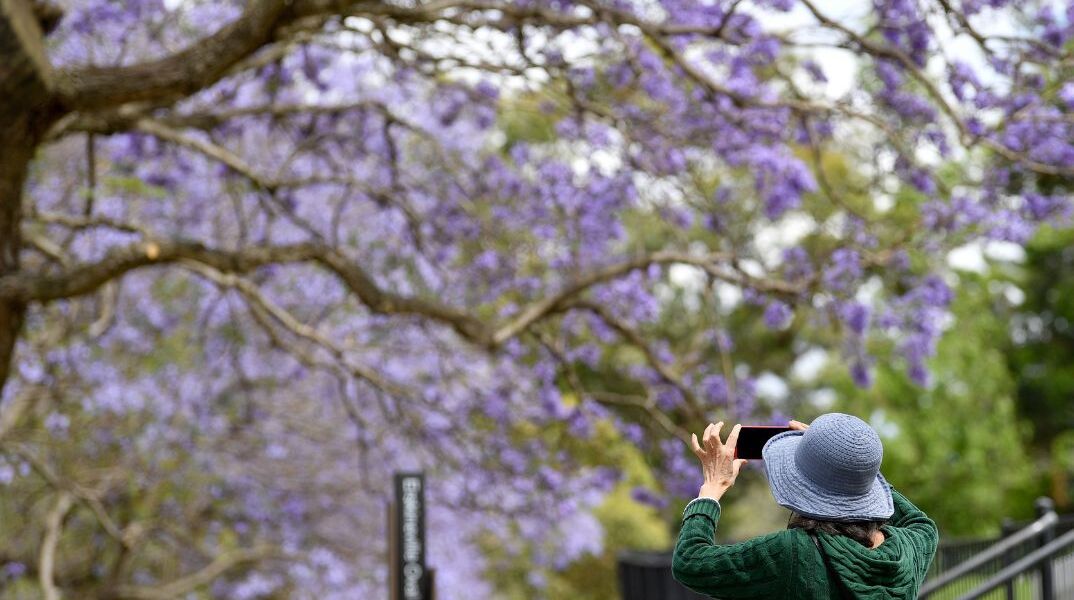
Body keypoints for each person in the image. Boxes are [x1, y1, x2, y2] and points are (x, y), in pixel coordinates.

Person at [672, 413, 939, 599]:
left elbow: (690, 562)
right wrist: (855, 469)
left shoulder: (792, 554)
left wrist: (711, 488)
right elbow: (921, 524)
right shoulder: (909, 549)